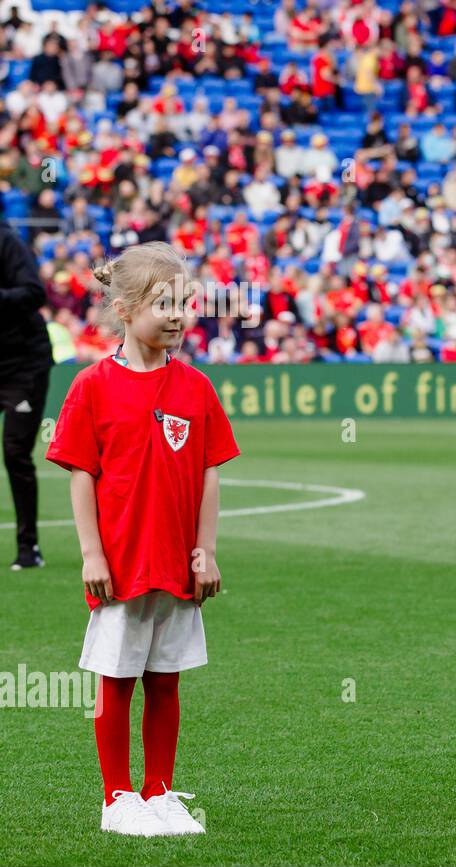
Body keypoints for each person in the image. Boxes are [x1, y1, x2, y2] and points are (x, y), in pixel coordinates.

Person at [45, 242, 241, 837]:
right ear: (126, 309)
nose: (179, 314)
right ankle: (116, 797)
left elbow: (209, 471)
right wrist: (91, 554)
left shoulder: (197, 388)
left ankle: (158, 792)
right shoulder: (92, 385)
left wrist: (205, 549)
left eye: (185, 302)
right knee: (118, 677)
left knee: (165, 677)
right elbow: (82, 474)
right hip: (122, 561)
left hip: (178, 563)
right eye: (165, 303)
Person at [0, 220, 51, 569]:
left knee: (16, 451)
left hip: (23, 364)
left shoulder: (7, 242)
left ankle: (28, 546)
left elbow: (34, 291)